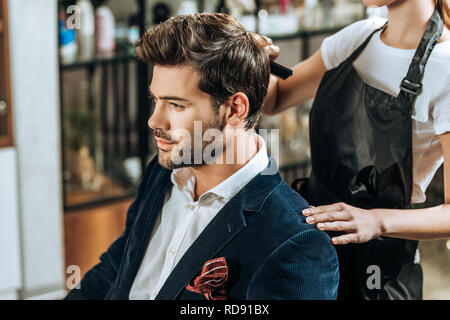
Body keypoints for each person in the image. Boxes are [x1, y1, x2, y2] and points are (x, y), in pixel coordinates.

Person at [64, 13, 339, 300]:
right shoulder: (162, 174)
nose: (154, 121)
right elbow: (115, 270)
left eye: (176, 106)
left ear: (235, 110)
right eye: (155, 101)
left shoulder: (294, 244)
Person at [256, 0, 450, 300]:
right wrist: (252, 61)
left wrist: (375, 221)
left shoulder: (446, 67)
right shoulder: (358, 39)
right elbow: (275, 99)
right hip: (311, 245)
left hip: (378, 267)